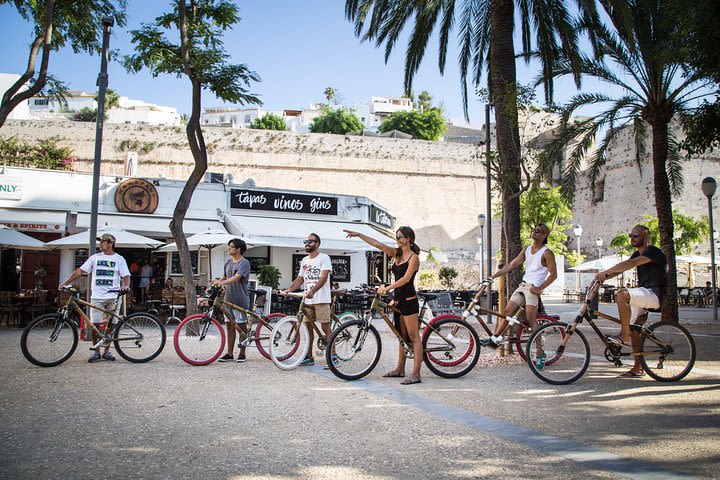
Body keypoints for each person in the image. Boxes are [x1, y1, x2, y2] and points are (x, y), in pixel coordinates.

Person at [344, 226, 423, 385]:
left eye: (400, 236)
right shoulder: (397, 254)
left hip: (409, 300)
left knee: (413, 337)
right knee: (401, 337)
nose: (397, 239)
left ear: (408, 239)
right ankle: (400, 370)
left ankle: (416, 374)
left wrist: (387, 288)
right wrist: (359, 234)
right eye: (397, 236)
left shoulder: (414, 258)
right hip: (398, 300)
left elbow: (406, 279)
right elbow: (377, 244)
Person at [480, 223, 557, 370]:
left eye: (539, 231)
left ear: (544, 236)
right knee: (507, 312)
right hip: (523, 285)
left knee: (531, 319)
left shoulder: (547, 253)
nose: (535, 232)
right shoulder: (527, 249)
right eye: (534, 230)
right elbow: (512, 265)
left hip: (533, 289)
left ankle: (540, 353)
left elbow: (554, 275)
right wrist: (492, 276)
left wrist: (540, 288)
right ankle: (495, 339)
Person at [595, 224, 667, 378]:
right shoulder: (636, 254)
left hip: (655, 294)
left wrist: (607, 271)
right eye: (631, 235)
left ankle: (623, 336)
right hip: (644, 293)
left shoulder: (653, 251)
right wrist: (603, 277)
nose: (632, 238)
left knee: (622, 294)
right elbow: (622, 268)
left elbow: (630, 264)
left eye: (636, 235)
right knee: (635, 328)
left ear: (645, 237)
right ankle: (638, 367)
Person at [60, 233, 130, 363]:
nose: (100, 244)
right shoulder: (95, 258)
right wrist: (66, 283)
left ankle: (107, 351)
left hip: (113, 296)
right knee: (94, 325)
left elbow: (126, 276)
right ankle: (97, 352)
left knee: (112, 324)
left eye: (103, 242)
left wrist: (126, 286)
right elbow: (80, 271)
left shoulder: (119, 259)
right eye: (100, 241)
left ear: (110, 244)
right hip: (97, 296)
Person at [280, 233, 333, 367]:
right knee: (307, 328)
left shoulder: (324, 258)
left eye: (310, 241)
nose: (307, 243)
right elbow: (300, 279)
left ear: (317, 244)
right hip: (307, 300)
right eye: (305, 241)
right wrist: (289, 289)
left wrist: (313, 291)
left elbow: (323, 277)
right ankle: (309, 357)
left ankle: (333, 356)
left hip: (321, 299)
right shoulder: (304, 260)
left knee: (325, 326)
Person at [214, 239, 251, 363]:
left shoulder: (244, 263)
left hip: (239, 299)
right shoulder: (228, 262)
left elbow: (236, 277)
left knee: (241, 326)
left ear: (238, 249)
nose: (228, 249)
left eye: (231, 247)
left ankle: (242, 353)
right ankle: (229, 353)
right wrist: (216, 282)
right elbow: (224, 277)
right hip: (227, 299)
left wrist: (222, 282)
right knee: (229, 326)